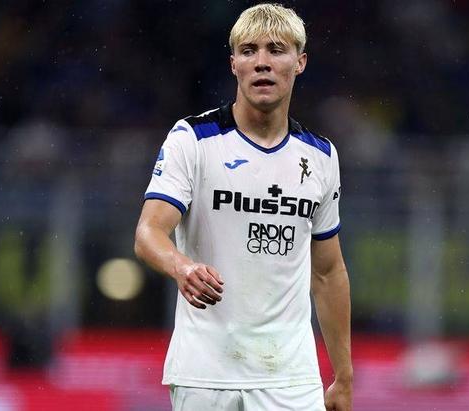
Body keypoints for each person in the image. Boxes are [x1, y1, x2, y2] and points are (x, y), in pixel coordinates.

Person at [134, 4, 352, 410]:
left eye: (276, 50)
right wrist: (182, 267)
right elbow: (149, 232)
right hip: (204, 373)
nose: (262, 62)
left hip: (291, 377)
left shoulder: (321, 157)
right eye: (249, 51)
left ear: (300, 62)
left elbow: (327, 272)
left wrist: (343, 376)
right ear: (234, 63)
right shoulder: (193, 139)